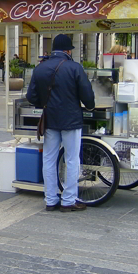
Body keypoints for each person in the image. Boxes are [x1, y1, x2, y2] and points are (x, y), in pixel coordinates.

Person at [26, 34, 95, 212]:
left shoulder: (40, 68)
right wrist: (90, 106)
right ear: (67, 50)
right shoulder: (74, 67)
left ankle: (50, 200)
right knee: (72, 159)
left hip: (50, 118)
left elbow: (31, 96)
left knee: (49, 158)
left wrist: (44, 104)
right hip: (71, 119)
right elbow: (87, 94)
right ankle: (68, 200)